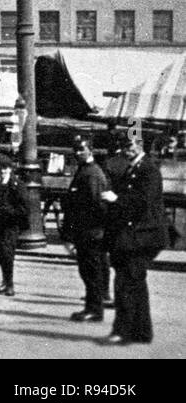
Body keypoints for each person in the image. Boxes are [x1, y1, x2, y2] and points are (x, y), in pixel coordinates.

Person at [101, 129, 168, 345]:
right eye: (124, 148)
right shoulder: (135, 168)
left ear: (139, 145)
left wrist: (116, 199)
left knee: (126, 283)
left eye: (130, 147)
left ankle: (124, 331)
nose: (126, 151)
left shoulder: (148, 170)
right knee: (135, 283)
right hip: (135, 236)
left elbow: (142, 202)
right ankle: (141, 332)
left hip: (142, 236)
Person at [61, 135, 110, 323]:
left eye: (82, 149)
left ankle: (95, 310)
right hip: (85, 232)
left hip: (91, 232)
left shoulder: (92, 173)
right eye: (76, 149)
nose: (78, 153)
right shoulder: (85, 170)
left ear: (91, 150)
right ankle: (91, 307)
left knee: (91, 271)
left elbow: (97, 204)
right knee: (87, 271)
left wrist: (90, 230)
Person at [0, 153, 29, 297]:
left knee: (7, 254)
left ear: (10, 169)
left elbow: (24, 208)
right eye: (0, 168)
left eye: (5, 168)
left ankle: (10, 285)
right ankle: (4, 282)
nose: (3, 171)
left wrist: (9, 212)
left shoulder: (17, 185)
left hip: (10, 225)